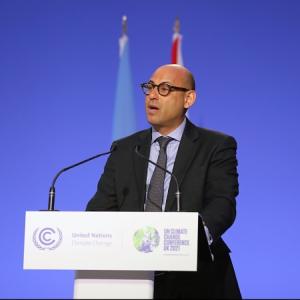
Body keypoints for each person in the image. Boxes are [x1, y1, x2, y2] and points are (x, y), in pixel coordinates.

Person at [86, 64, 241, 299]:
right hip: (131, 276)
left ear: (188, 98)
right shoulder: (126, 148)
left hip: (196, 276)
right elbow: (100, 208)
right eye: (149, 87)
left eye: (165, 88)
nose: (152, 95)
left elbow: (222, 205)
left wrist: (190, 239)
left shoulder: (216, 146)